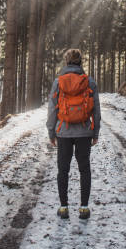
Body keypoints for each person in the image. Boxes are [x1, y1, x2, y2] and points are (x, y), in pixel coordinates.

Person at [46, 49, 101, 220]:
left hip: (63, 132)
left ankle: (64, 208)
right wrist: (95, 131)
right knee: (85, 169)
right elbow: (96, 110)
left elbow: (52, 109)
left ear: (66, 62)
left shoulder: (58, 82)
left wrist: (51, 131)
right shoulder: (89, 81)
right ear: (80, 62)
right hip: (84, 131)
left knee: (63, 170)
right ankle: (84, 208)